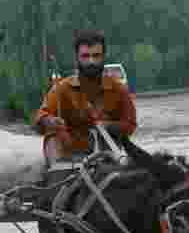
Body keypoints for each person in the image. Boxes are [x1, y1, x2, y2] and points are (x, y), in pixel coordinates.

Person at [33, 29, 137, 163]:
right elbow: (39, 119)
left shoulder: (118, 89)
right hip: (68, 157)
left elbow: (130, 125)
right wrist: (51, 121)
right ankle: (57, 173)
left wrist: (107, 126)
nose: (91, 61)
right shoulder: (61, 89)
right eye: (85, 56)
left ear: (103, 56)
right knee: (52, 137)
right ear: (77, 57)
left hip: (105, 155)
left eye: (96, 55)